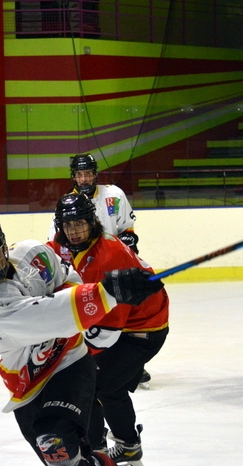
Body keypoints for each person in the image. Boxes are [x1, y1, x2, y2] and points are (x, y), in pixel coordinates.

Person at [0, 212, 164, 466]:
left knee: (57, 442)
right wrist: (107, 293)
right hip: (27, 385)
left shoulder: (32, 254)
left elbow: (70, 283)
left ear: (1, 243)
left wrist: (103, 292)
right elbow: (53, 316)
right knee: (63, 459)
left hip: (69, 362)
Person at [51, 193, 169, 466]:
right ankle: (119, 446)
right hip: (128, 325)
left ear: (92, 222)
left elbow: (106, 334)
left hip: (141, 331)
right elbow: (45, 254)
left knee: (98, 387)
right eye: (68, 226)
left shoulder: (107, 257)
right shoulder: (76, 244)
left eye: (80, 223)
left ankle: (109, 450)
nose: (74, 231)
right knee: (97, 385)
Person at [48, 154, 151, 386]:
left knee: (124, 314)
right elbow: (55, 243)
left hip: (113, 263)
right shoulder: (67, 204)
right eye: (79, 174)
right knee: (94, 318)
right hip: (85, 268)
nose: (84, 179)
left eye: (88, 174)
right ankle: (91, 361)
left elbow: (128, 229)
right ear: (73, 177)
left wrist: (125, 247)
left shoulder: (113, 195)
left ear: (95, 174)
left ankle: (132, 365)